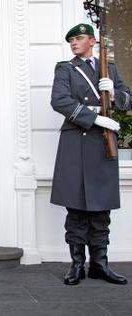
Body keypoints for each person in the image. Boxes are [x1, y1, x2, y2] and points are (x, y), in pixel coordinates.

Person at [50, 23, 131, 286]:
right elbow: (59, 101)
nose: (74, 42)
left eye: (79, 38)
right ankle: (76, 265)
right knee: (76, 209)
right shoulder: (65, 68)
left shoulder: (110, 69)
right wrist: (95, 118)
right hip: (77, 141)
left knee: (100, 209)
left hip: (102, 144)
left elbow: (129, 99)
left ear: (92, 41)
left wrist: (115, 93)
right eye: (71, 39)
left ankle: (100, 264)